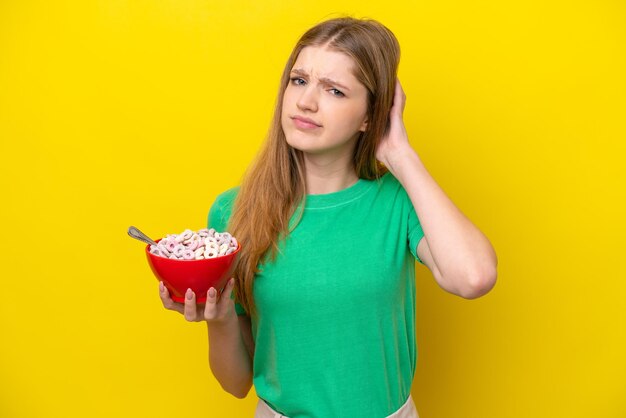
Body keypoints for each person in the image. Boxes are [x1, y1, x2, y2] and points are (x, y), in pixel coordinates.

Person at [158, 16, 497, 418]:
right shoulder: (234, 212)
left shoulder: (398, 202)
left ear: (371, 116)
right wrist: (218, 319)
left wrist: (401, 156)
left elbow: (473, 277)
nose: (306, 102)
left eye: (335, 90)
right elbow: (236, 383)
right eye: (299, 81)